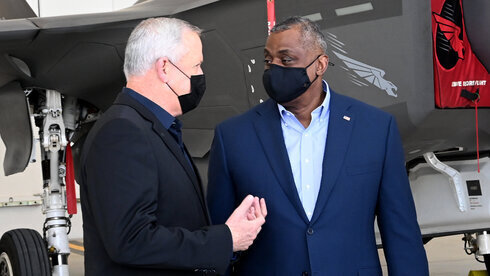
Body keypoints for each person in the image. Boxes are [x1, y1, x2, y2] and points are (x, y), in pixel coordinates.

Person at [207, 16, 429, 275]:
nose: (274, 68)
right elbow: (219, 236)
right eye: (269, 60)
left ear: (320, 64)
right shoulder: (233, 136)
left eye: (286, 59)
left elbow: (401, 231)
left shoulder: (376, 128)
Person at [80, 17, 267, 276]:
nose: (200, 75)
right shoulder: (122, 132)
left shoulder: (154, 128)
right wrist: (226, 239)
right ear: (165, 68)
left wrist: (230, 232)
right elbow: (131, 241)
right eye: (196, 65)